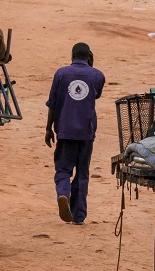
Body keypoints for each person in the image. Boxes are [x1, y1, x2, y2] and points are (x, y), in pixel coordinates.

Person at [45, 42, 105, 225]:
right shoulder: (98, 75)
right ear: (89, 56)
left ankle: (63, 194)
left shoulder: (61, 74)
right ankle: (79, 215)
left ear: (72, 56)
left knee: (63, 169)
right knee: (82, 173)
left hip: (65, 130)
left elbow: (52, 104)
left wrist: (48, 128)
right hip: (86, 132)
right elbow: (96, 95)